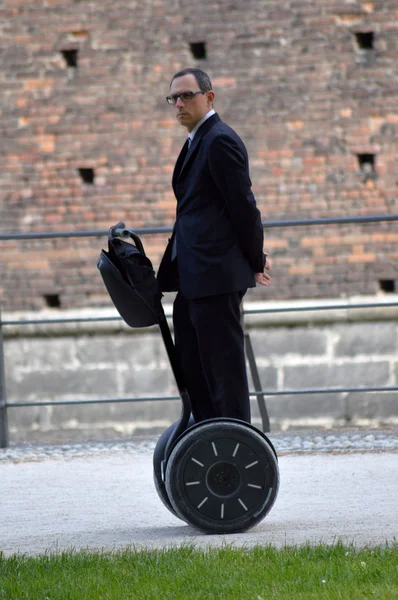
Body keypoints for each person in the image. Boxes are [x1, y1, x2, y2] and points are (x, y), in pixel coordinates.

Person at [157, 67, 271, 424]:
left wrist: (257, 258)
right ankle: (208, 436)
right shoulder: (196, 140)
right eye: (173, 97)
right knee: (194, 364)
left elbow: (243, 205)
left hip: (217, 276)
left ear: (209, 97)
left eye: (187, 95)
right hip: (195, 277)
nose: (179, 103)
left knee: (224, 370)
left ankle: (236, 442)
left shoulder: (219, 139)